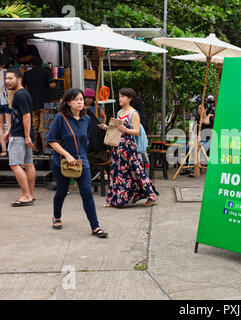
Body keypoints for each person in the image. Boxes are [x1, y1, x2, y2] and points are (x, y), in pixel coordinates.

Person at [46, 88, 108, 238]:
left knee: (87, 193)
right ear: (68, 102)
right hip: (62, 162)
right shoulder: (60, 118)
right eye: (76, 100)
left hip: (81, 161)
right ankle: (57, 217)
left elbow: (85, 140)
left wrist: (80, 156)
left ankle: (95, 227)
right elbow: (51, 140)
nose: (80, 102)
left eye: (81, 99)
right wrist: (67, 155)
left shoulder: (86, 119)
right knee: (62, 191)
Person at [102, 87, 159, 207]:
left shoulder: (133, 113)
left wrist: (126, 129)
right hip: (118, 147)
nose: (120, 99)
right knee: (117, 174)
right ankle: (115, 200)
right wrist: (107, 127)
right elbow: (117, 130)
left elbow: (136, 131)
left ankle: (151, 195)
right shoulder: (119, 112)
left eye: (122, 97)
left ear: (130, 98)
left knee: (138, 172)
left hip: (129, 148)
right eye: (119, 96)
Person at [4, 68, 36, 206]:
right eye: (6, 78)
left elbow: (27, 116)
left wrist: (27, 136)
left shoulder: (20, 95)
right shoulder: (22, 94)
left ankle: (26, 195)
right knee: (28, 164)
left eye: (10, 78)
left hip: (21, 136)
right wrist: (8, 131)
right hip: (21, 134)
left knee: (14, 164)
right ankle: (30, 194)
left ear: (19, 80)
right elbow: (19, 115)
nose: (7, 81)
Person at [23, 56, 56, 154]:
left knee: (34, 127)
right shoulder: (46, 72)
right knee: (44, 127)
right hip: (45, 104)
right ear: (41, 63)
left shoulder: (27, 74)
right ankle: (45, 149)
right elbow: (52, 85)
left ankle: (34, 148)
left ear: (31, 65)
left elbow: (23, 88)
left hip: (32, 104)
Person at [181, 97, 215, 177]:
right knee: (188, 147)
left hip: (208, 140)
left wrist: (207, 116)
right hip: (197, 139)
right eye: (198, 109)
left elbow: (207, 123)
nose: (198, 110)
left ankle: (195, 168)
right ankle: (187, 167)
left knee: (199, 148)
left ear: (206, 109)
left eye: (201, 108)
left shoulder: (210, 118)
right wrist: (191, 140)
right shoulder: (197, 119)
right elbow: (193, 131)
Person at [0, 62, 11, 157]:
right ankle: (10, 149)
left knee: (0, 127)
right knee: (9, 125)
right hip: (7, 101)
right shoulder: (6, 73)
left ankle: (3, 150)